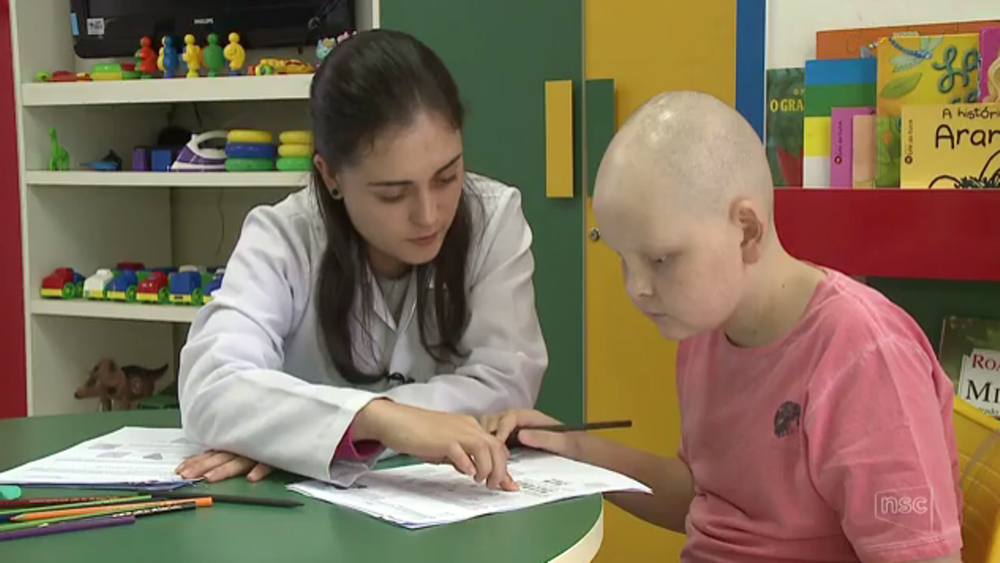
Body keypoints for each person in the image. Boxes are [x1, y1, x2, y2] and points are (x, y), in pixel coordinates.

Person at [483, 92, 962, 562]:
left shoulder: (865, 357)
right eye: (623, 261)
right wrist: (571, 448)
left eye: (659, 259)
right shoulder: (706, 332)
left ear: (746, 231)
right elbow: (709, 500)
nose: (638, 289)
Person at [176, 29, 548, 492]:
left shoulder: (493, 218)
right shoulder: (284, 235)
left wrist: (298, 432)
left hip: (442, 503)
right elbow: (212, 385)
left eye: (447, 176)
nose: (429, 214)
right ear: (330, 175)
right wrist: (377, 422)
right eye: (393, 193)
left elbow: (505, 384)